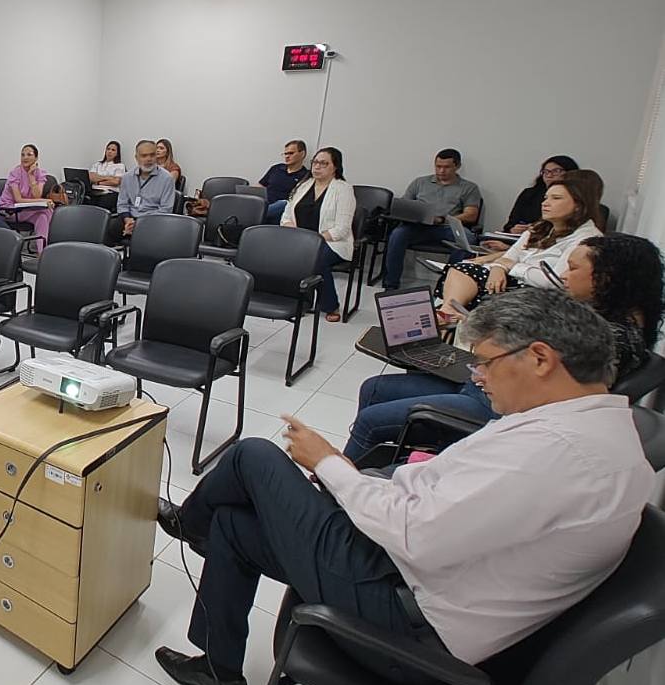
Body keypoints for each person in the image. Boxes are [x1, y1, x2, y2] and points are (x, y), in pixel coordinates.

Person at [153, 288, 653, 685]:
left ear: (541, 358)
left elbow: (417, 536)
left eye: (485, 361)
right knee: (236, 526)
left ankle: (190, 524)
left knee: (253, 457)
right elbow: (443, 495)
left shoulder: (559, 452)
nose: (477, 376)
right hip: (423, 588)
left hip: (408, 625)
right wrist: (363, 482)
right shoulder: (590, 428)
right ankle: (221, 670)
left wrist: (328, 463)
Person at [345, 233, 664, 461]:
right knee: (375, 388)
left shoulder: (612, 339)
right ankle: (374, 461)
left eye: (575, 268)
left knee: (371, 419)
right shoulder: (607, 320)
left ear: (607, 278)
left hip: (496, 407)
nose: (565, 275)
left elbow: (536, 387)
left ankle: (339, 499)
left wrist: (483, 358)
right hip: (488, 385)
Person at [438, 173, 601, 316]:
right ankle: (446, 314)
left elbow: (556, 281)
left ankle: (446, 317)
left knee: (466, 275)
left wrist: (512, 266)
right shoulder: (540, 228)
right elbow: (508, 257)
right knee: (460, 269)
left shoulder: (585, 238)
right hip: (510, 280)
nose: (546, 203)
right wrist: (498, 268)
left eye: (556, 198)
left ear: (578, 206)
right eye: (545, 198)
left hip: (538, 293)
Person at [381, 148, 482, 289]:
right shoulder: (420, 182)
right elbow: (405, 205)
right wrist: (416, 215)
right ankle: (391, 283)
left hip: (447, 227)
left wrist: (441, 219)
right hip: (419, 226)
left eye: (446, 167)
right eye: (438, 166)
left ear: (457, 166)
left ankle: (448, 284)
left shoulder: (469, 187)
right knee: (397, 235)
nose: (441, 171)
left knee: (468, 239)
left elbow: (471, 215)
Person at [279, 147, 355, 321]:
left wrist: (311, 242)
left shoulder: (343, 189)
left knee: (314, 259)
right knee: (279, 256)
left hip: (332, 243)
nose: (317, 167)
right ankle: (300, 301)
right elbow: (286, 215)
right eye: (315, 162)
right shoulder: (304, 185)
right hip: (299, 241)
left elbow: (341, 229)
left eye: (323, 163)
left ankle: (330, 305)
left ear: (335, 167)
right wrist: (290, 227)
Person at [106, 139, 178, 246]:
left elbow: (165, 209)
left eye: (152, 155)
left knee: (144, 234)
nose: (149, 159)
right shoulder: (127, 177)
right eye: (144, 156)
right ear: (137, 158)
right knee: (110, 227)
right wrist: (128, 220)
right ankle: (112, 259)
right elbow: (122, 204)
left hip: (153, 220)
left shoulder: (167, 178)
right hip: (130, 218)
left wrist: (139, 223)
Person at [496, 155, 579, 241]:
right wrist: (513, 229)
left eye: (556, 171)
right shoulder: (530, 194)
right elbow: (510, 224)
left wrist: (538, 229)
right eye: (545, 171)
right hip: (519, 240)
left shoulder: (574, 197)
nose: (549, 175)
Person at [0, 144, 56, 244]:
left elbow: (36, 195)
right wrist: (44, 201)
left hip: (28, 210)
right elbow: (18, 199)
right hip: (10, 211)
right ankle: (47, 249)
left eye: (29, 155)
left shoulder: (40, 173)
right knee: (47, 210)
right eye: (22, 155)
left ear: (36, 158)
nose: (25, 157)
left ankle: (42, 252)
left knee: (42, 217)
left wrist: (31, 176)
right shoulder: (15, 173)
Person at [259, 139, 311, 224]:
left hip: (283, 209)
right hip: (265, 203)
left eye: (290, 153)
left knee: (284, 203)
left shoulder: (306, 176)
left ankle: (255, 215)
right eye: (285, 154)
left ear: (302, 154)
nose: (287, 156)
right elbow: (260, 185)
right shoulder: (276, 168)